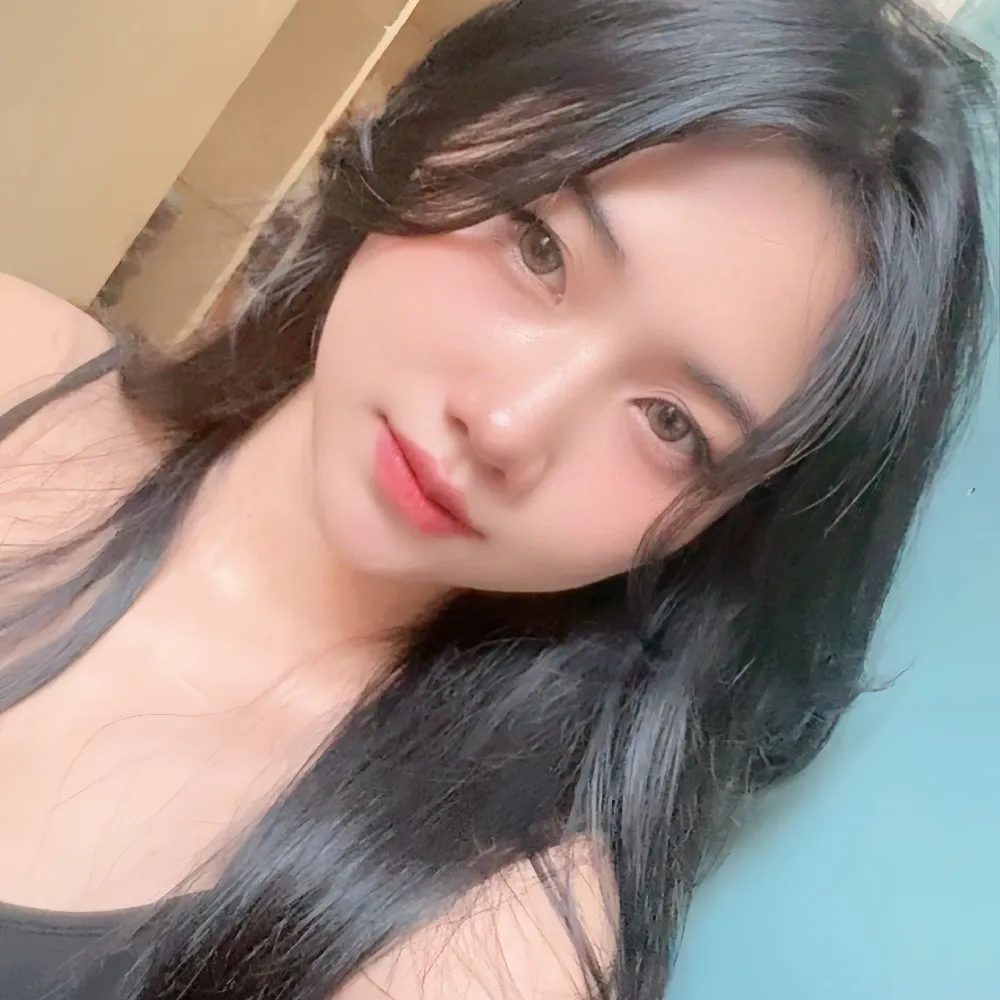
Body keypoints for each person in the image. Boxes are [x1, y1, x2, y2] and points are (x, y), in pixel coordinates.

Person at [0, 0, 994, 997]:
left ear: (719, 523)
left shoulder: (497, 938)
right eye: (540, 247)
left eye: (671, 423)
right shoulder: (18, 359)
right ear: (447, 133)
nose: (509, 424)